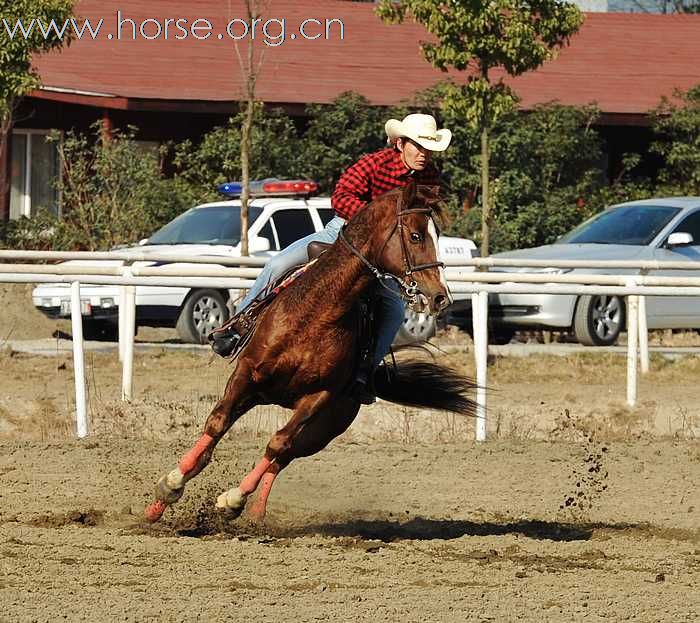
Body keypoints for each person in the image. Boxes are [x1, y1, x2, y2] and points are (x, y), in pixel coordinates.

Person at [209, 113, 452, 402]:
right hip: (343, 231)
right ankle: (237, 327)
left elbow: (422, 220)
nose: (424, 155)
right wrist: (372, 223)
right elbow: (342, 195)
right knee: (278, 264)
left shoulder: (430, 177)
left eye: (429, 149)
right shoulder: (373, 164)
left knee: (394, 312)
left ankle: (364, 372)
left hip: (389, 252)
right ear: (400, 143)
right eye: (419, 147)